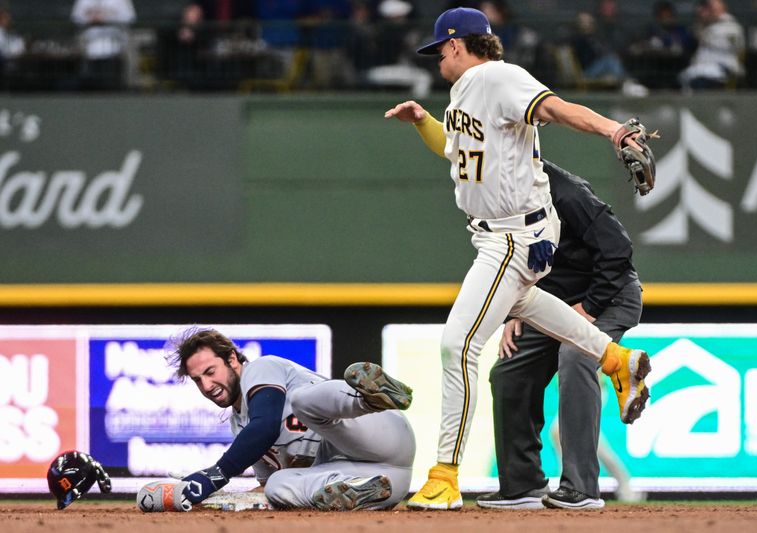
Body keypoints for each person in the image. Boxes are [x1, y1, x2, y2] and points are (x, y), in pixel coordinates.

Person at [384, 7, 652, 510]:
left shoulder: (499, 77)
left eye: (439, 49)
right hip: (496, 237)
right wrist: (424, 123)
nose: (437, 59)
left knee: (456, 347)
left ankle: (444, 475)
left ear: (458, 44)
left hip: (514, 235)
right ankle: (619, 362)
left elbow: (555, 108)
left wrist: (614, 130)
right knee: (529, 309)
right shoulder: (466, 91)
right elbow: (457, 152)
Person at [475, 160, 642, 510]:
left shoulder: (567, 192)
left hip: (609, 297)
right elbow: (512, 260)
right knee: (508, 371)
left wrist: (588, 310)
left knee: (577, 354)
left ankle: (582, 489)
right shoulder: (500, 198)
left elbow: (618, 251)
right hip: (552, 303)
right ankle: (522, 487)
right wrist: (513, 309)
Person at [163, 327, 416, 511]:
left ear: (231, 359)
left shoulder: (261, 368)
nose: (206, 385)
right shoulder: (239, 427)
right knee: (276, 485)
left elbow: (265, 426)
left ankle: (368, 398)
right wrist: (213, 500)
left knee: (302, 401)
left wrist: (214, 476)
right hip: (386, 480)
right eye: (198, 380)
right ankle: (362, 493)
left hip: (382, 432)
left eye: (210, 372)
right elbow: (265, 489)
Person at [71, 0, 136, 90]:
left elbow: (129, 17)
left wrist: (106, 17)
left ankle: (122, 85)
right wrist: (91, 17)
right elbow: (76, 17)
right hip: (89, 41)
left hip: (116, 40)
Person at [679, 0, 744, 90]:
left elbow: (730, 44)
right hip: (704, 70)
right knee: (684, 77)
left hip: (724, 70)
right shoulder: (706, 25)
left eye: (710, 8)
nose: (706, 11)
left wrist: (702, 32)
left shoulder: (731, 26)